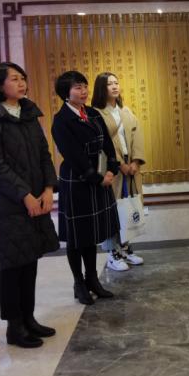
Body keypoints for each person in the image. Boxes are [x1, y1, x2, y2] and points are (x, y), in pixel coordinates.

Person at [0, 62, 60, 347]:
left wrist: (48, 189)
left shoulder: (28, 113)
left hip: (36, 199)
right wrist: (24, 195)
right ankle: (14, 327)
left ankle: (29, 318)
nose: (21, 83)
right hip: (7, 203)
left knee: (30, 260)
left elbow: (44, 155)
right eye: (14, 79)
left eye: (23, 78)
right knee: (12, 265)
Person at [51, 71, 120, 305]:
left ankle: (92, 280)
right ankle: (78, 283)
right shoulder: (61, 120)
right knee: (76, 236)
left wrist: (112, 169)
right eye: (77, 87)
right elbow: (72, 154)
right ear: (66, 93)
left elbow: (108, 144)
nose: (83, 91)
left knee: (91, 234)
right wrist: (96, 177)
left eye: (84, 86)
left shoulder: (92, 113)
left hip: (101, 176)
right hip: (77, 180)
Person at [91, 72, 146, 270]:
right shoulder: (96, 113)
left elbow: (137, 136)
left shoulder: (126, 111)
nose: (114, 86)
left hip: (131, 168)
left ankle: (125, 248)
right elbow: (104, 144)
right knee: (111, 209)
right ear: (101, 88)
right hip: (112, 169)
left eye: (116, 82)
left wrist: (136, 161)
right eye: (109, 84)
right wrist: (119, 163)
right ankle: (112, 252)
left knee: (128, 207)